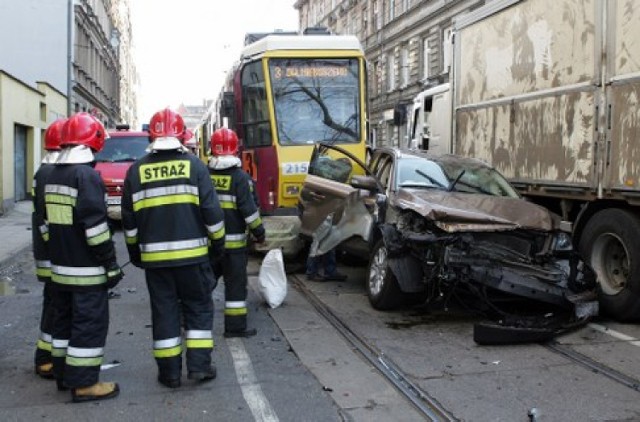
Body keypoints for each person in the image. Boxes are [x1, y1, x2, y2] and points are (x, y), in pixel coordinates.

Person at [121, 108, 225, 388]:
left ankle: (169, 374)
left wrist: (135, 253)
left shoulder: (135, 171)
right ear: (181, 135)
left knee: (164, 312)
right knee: (198, 309)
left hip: (156, 262)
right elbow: (212, 214)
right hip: (194, 258)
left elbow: (129, 224)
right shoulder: (195, 166)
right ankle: (199, 367)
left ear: (151, 135)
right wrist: (218, 247)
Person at [44, 112, 123, 402]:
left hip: (61, 270)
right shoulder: (86, 176)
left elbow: (47, 224)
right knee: (89, 325)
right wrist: (110, 264)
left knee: (63, 325)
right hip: (86, 271)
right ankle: (85, 383)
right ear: (94, 141)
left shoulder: (54, 175)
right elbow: (96, 228)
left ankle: (65, 375)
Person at [208, 128, 265, 338]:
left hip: (209, 246)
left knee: (204, 284)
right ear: (236, 150)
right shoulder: (241, 178)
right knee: (235, 289)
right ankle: (235, 328)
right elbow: (249, 212)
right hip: (234, 249)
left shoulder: (204, 175)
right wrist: (260, 233)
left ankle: (189, 318)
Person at [32, 117, 66, 380]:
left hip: (48, 252)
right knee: (55, 305)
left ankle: (47, 355)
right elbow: (48, 219)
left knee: (53, 303)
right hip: (52, 254)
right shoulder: (49, 173)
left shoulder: (43, 171)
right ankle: (45, 359)